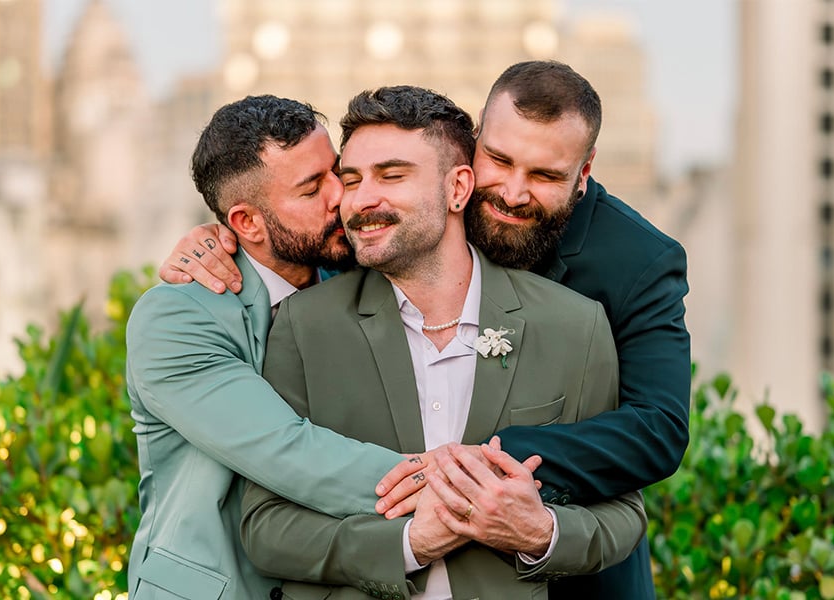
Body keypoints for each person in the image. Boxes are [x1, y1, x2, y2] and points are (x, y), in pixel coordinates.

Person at [159, 61, 690, 599]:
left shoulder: (619, 279)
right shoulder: (334, 291)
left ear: (584, 170)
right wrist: (225, 235)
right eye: (500, 160)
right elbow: (315, 236)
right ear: (475, 151)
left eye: (545, 175)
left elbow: (657, 430)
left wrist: (491, 472)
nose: (510, 191)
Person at [125, 95, 432, 599]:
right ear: (246, 223)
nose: (342, 196)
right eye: (312, 189)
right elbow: (288, 450)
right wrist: (449, 485)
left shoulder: (357, 271)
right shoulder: (175, 318)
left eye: (335, 171)